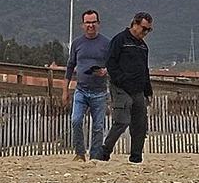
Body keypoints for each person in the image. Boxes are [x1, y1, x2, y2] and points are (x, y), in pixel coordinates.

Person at [99, 12, 153, 163]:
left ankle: (136, 156)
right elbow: (110, 62)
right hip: (120, 87)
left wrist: (148, 91)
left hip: (138, 88)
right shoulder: (120, 40)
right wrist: (120, 79)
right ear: (135, 24)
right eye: (144, 29)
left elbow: (145, 69)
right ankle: (105, 151)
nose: (146, 33)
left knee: (140, 123)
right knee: (122, 120)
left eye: (149, 30)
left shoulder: (143, 46)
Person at [63, 9, 111, 162]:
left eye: (93, 22)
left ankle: (95, 156)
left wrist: (105, 71)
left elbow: (113, 64)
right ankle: (79, 153)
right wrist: (65, 90)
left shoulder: (106, 43)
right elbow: (70, 66)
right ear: (82, 25)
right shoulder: (77, 43)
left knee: (98, 126)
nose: (90, 25)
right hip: (81, 90)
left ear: (98, 24)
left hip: (100, 91)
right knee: (76, 120)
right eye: (87, 22)